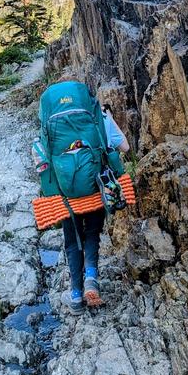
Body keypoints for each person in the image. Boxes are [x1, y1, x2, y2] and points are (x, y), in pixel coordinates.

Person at [62, 104, 129, 314]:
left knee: (73, 242)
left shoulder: (53, 125)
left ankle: (75, 297)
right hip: (95, 187)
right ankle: (91, 277)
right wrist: (109, 117)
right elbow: (125, 147)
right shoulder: (98, 117)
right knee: (92, 234)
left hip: (67, 193)